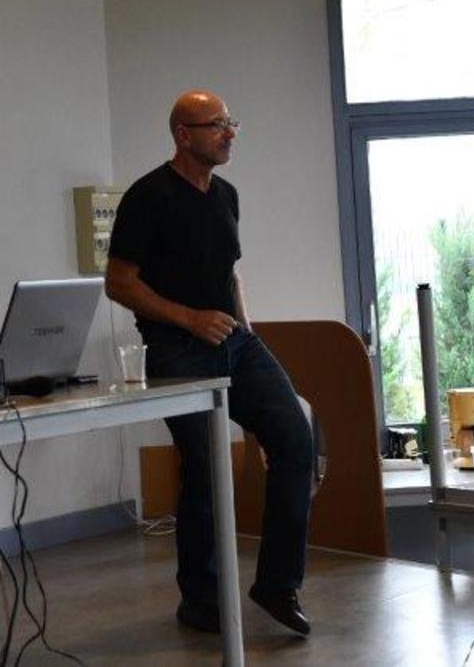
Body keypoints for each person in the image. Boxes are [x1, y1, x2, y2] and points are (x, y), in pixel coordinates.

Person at [105, 91, 315, 637]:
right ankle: (200, 599)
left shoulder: (226, 195)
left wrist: (248, 332)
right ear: (183, 134)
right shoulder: (148, 196)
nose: (230, 133)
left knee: (296, 439)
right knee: (206, 466)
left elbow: (230, 274)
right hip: (175, 348)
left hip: (234, 340)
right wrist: (188, 318)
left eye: (230, 122)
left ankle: (277, 585)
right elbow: (119, 283)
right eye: (217, 124)